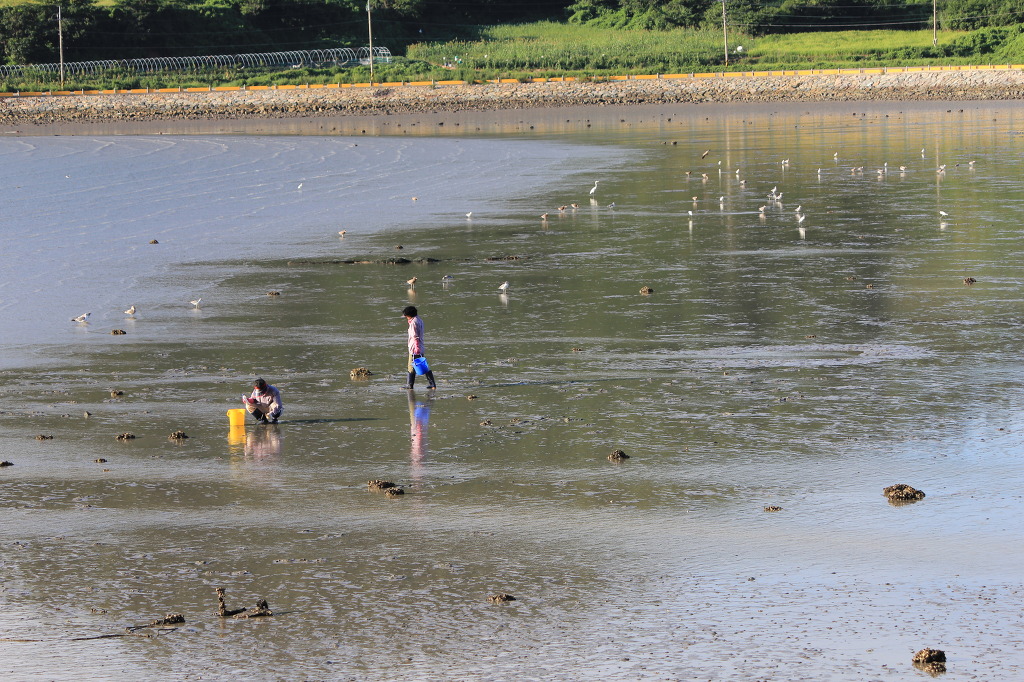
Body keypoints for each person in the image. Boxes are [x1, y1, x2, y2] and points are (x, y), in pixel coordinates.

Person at [403, 305, 436, 390]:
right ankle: (432, 384)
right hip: (420, 346)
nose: (406, 317)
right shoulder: (419, 320)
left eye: (406, 316)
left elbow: (415, 336)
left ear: (409, 315)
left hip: (415, 348)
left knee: (411, 366)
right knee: (423, 366)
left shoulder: (413, 323)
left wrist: (416, 348)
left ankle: (410, 385)